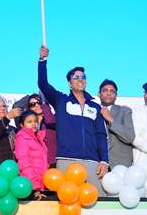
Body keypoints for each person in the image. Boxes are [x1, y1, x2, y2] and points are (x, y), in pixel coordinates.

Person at [38, 46, 109, 196]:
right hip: (66, 160)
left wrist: (104, 160)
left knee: (97, 200)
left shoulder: (95, 107)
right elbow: (43, 84)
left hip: (92, 162)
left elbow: (101, 135)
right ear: (69, 84)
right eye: (75, 77)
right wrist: (42, 60)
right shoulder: (61, 100)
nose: (80, 79)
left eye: (83, 77)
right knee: (67, 200)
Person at [97, 79, 135, 168]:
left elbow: (130, 137)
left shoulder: (125, 111)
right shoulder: (92, 111)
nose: (109, 93)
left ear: (116, 96)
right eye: (105, 90)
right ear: (99, 94)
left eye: (112, 91)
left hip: (120, 165)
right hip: (97, 164)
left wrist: (110, 119)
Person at [13, 93, 57, 166]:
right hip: (35, 163)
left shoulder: (50, 118)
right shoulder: (27, 123)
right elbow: (16, 106)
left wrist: (44, 103)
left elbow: (51, 122)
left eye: (39, 102)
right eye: (32, 104)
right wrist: (29, 96)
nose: (36, 105)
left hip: (51, 162)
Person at [14, 110, 48, 200]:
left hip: (42, 185)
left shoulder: (39, 138)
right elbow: (24, 163)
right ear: (22, 125)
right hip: (30, 186)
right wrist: (35, 187)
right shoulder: (22, 137)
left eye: (35, 121)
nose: (33, 124)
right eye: (29, 122)